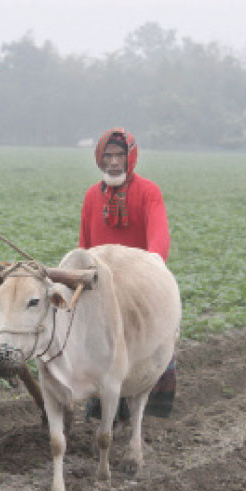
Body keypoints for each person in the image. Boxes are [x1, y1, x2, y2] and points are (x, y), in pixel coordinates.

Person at [81, 127, 177, 420]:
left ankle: (143, 395)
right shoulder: (91, 197)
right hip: (100, 284)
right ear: (99, 158)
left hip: (137, 283)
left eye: (119, 155)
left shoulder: (149, 192)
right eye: (107, 155)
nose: (113, 162)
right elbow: (84, 243)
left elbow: (159, 237)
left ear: (130, 158)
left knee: (150, 340)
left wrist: (151, 271)